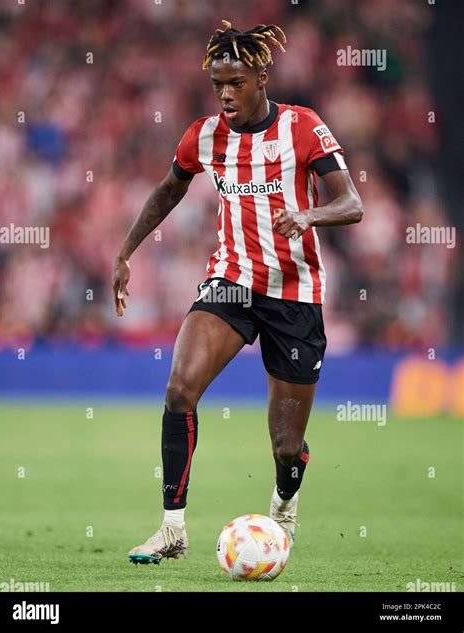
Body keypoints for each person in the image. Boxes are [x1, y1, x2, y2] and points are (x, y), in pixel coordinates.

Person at [112, 20, 363, 565]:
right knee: (180, 388)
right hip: (231, 283)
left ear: (262, 77)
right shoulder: (203, 135)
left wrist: (309, 214)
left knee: (285, 445)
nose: (225, 93)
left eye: (236, 82)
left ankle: (284, 503)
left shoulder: (302, 127)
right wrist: (126, 251)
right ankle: (173, 528)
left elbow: (352, 204)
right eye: (217, 84)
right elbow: (167, 191)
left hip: (295, 294)